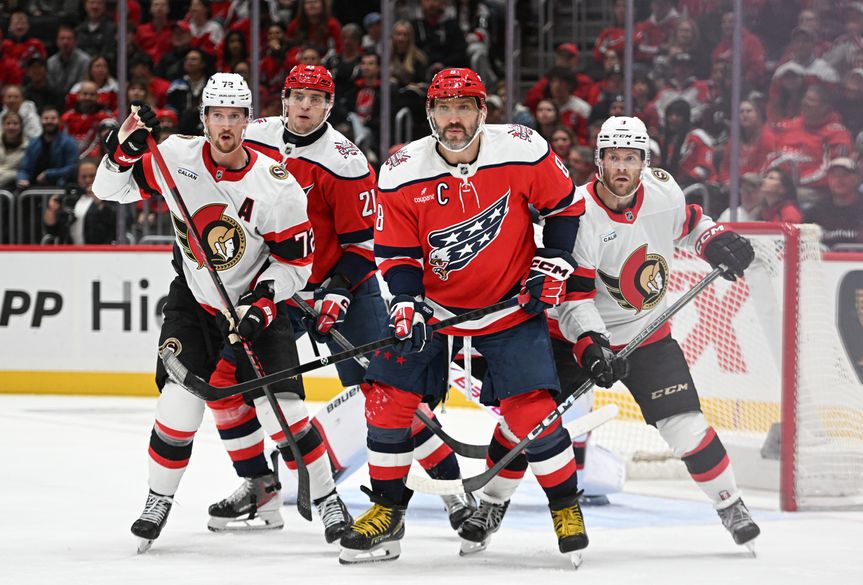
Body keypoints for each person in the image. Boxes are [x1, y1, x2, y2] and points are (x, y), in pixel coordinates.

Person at [91, 72, 351, 552]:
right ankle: (157, 500)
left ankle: (331, 500)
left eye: (235, 116)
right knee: (178, 403)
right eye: (217, 115)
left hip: (255, 304)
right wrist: (122, 148)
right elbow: (110, 190)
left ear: (248, 120)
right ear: (203, 118)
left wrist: (264, 301)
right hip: (195, 299)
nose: (226, 125)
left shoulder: (276, 186)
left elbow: (298, 264)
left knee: (285, 416)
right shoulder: (173, 157)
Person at [338, 68, 586, 565]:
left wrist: (554, 260)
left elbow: (565, 207)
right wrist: (406, 301)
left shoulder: (522, 147)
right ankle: (387, 511)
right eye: (445, 108)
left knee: (533, 413)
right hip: (435, 311)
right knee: (387, 400)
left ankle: (566, 506)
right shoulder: (403, 169)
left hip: (509, 306)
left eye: (465, 107)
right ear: (430, 113)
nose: (455, 118)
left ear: (483, 112)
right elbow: (396, 252)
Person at [241, 64, 476, 530]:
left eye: (316, 99)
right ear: (283, 99)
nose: (305, 106)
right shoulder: (251, 137)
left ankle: (454, 494)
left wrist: (339, 289)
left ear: (330, 107)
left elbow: (365, 244)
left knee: (386, 392)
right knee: (259, 393)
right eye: (298, 96)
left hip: (340, 286)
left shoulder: (345, 161)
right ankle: (260, 485)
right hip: (277, 288)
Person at [555, 115, 760, 550]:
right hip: (573, 337)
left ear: (644, 161)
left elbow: (690, 226)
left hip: (647, 334)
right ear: (599, 161)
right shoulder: (577, 211)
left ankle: (730, 504)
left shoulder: (663, 192)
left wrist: (716, 239)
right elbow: (574, 298)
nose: (623, 168)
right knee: (530, 422)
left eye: (631, 158)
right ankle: (492, 502)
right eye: (614, 158)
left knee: (685, 424)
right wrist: (592, 345)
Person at [43, 158, 121, 245]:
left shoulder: (110, 196)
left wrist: (99, 201)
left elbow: (120, 224)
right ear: (77, 177)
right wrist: (51, 209)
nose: (87, 180)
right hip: (70, 251)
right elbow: (52, 229)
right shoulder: (70, 197)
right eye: (83, 177)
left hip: (100, 251)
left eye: (92, 176)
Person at [16, 105, 78, 190]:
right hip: (33, 188)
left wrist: (48, 174)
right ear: (40, 120)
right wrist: (22, 178)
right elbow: (24, 168)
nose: (49, 121)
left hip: (59, 188)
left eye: (53, 118)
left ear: (59, 121)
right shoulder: (33, 143)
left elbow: (72, 168)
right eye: (46, 118)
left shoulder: (69, 142)